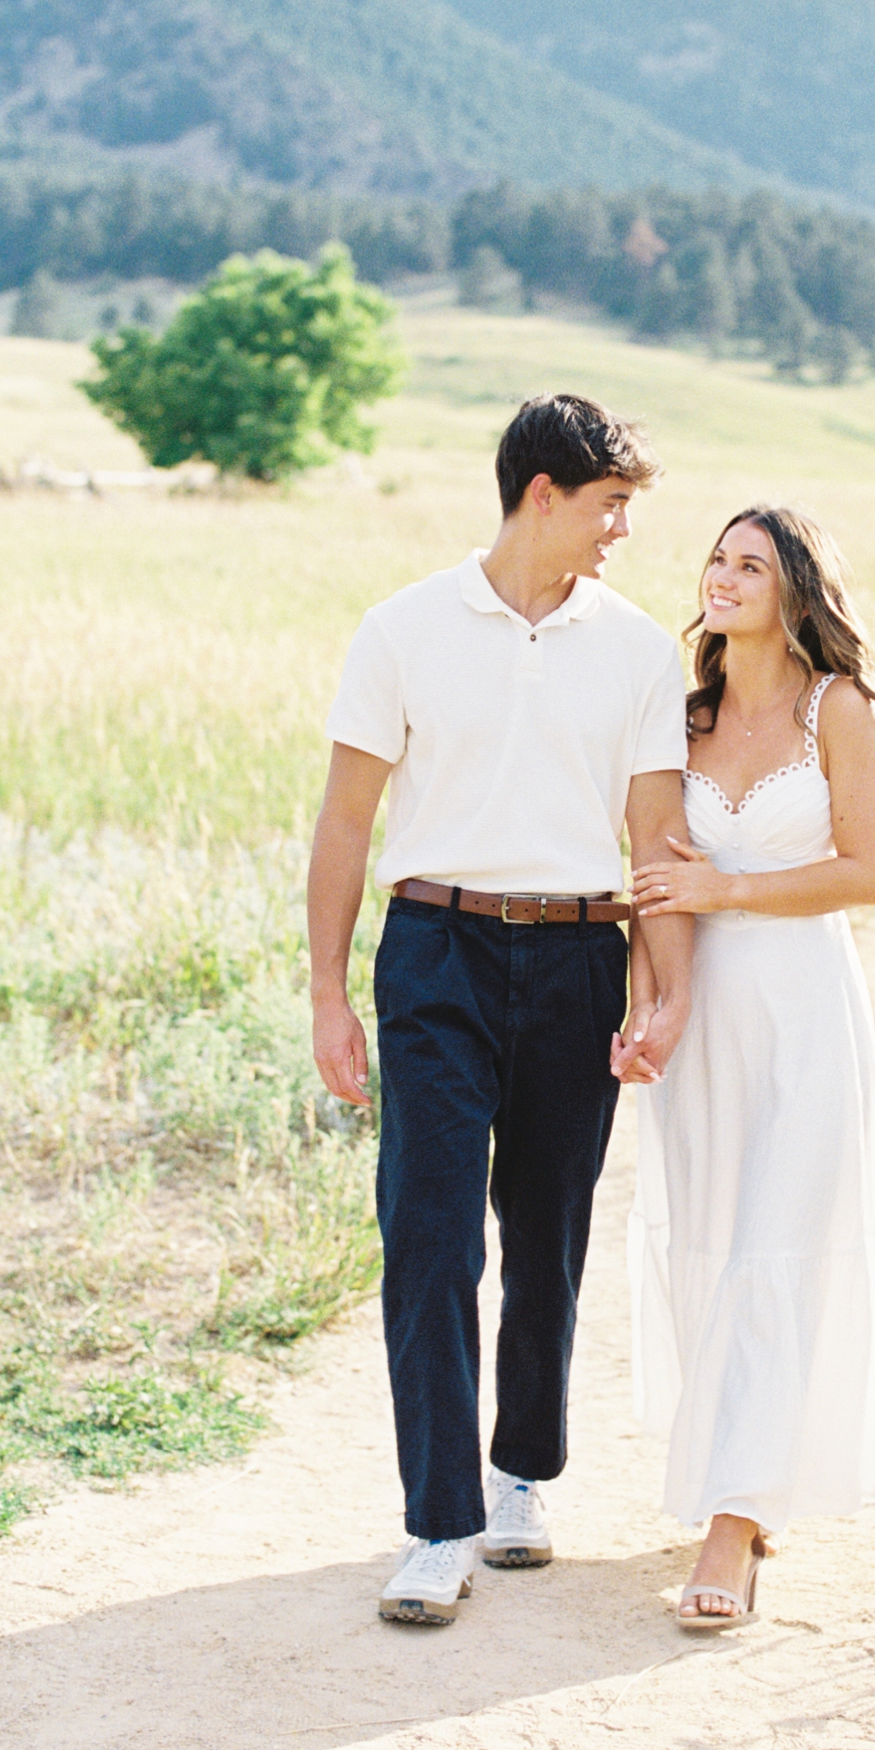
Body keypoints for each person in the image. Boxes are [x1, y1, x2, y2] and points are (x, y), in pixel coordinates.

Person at [309, 393, 695, 1625]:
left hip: (580, 953)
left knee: (547, 1230)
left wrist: (662, 981)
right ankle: (437, 1522)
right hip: (434, 947)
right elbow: (345, 820)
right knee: (428, 1230)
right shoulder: (403, 627)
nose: (621, 529)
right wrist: (327, 988)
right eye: (608, 504)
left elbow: (654, 837)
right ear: (542, 492)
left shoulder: (637, 648)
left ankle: (520, 1470)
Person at [617, 505, 875, 1628]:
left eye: (751, 562)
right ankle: (752, 1465)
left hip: (800, 1009)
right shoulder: (678, 717)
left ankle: (730, 1525)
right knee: (713, 1239)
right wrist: (650, 999)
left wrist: (727, 888)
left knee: (776, 1242)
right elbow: (651, 871)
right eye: (717, 559)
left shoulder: (842, 711)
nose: (723, 575)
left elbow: (864, 872)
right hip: (704, 1018)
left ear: (795, 589)